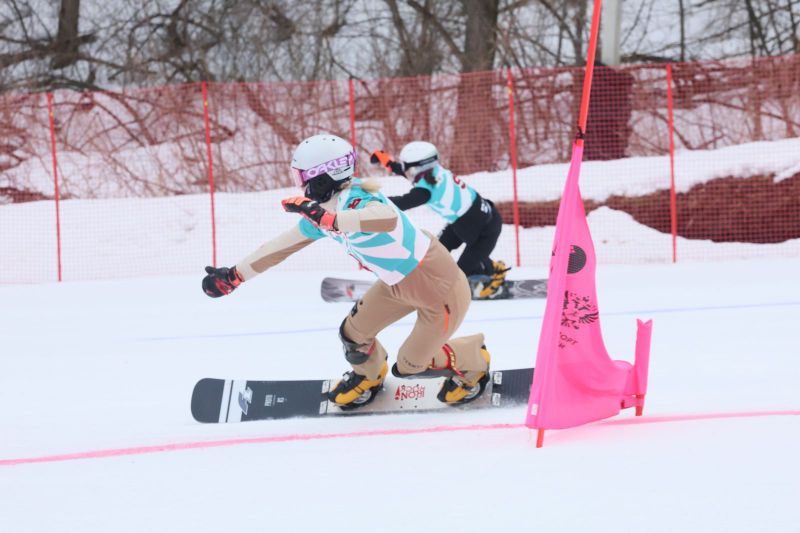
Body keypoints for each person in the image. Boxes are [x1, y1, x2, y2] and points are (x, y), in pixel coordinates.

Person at [201, 133, 491, 409]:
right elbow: (280, 247)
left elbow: (386, 218)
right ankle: (369, 375)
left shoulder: (360, 201)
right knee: (353, 336)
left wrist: (329, 220)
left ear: (322, 177)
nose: (301, 186)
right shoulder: (326, 209)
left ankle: (473, 359)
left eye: (303, 178)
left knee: (410, 365)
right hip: (397, 284)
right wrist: (235, 275)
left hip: (440, 290)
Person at [370, 141, 509, 299]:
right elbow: (406, 171)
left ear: (418, 169)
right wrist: (387, 162)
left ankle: (494, 275)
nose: (406, 171)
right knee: (433, 253)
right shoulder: (433, 173)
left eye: (407, 167)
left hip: (485, 230)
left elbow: (402, 202)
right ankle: (481, 269)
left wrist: (370, 202)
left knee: (460, 274)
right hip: (464, 222)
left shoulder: (426, 191)